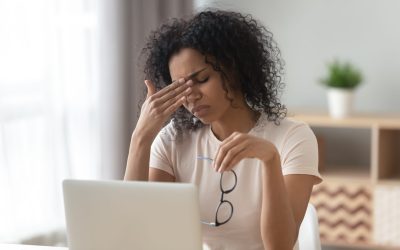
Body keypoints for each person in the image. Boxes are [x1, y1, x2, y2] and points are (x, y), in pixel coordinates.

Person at [125, 10, 322, 250]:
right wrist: (140, 138)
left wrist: (270, 159)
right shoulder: (173, 140)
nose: (191, 96)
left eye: (202, 79)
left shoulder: (293, 137)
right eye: (181, 87)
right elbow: (135, 234)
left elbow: (280, 246)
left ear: (235, 70)